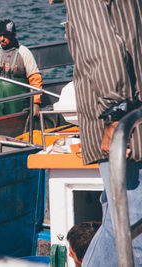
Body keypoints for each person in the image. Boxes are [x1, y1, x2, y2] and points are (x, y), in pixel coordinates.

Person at [63, 0, 142, 266]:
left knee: (129, 231)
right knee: (120, 224)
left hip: (127, 127)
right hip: (133, 122)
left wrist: (115, 116)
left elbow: (100, 47)